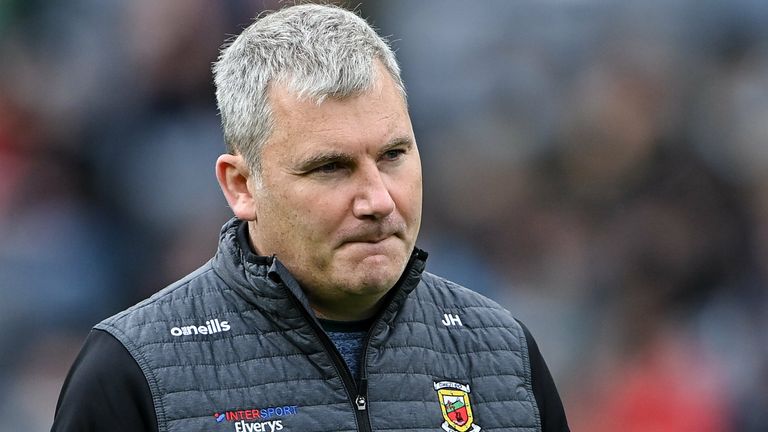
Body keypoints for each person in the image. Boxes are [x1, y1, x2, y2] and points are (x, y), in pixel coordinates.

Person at [51, 4, 569, 432]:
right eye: (330, 167)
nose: (379, 200)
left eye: (393, 155)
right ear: (242, 185)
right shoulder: (131, 371)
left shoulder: (505, 354)